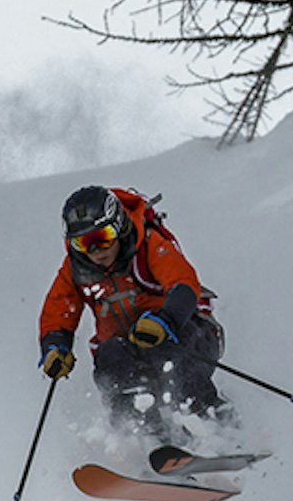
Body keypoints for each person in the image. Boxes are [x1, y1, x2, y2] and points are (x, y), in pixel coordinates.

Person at [38, 184, 228, 432]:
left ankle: (217, 425)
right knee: (110, 357)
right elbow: (58, 313)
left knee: (169, 357)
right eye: (84, 244)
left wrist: (165, 320)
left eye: (102, 238)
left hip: (185, 335)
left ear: (119, 227)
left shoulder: (148, 246)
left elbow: (184, 283)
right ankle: (145, 438)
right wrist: (55, 348)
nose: (96, 251)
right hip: (128, 350)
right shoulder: (75, 270)